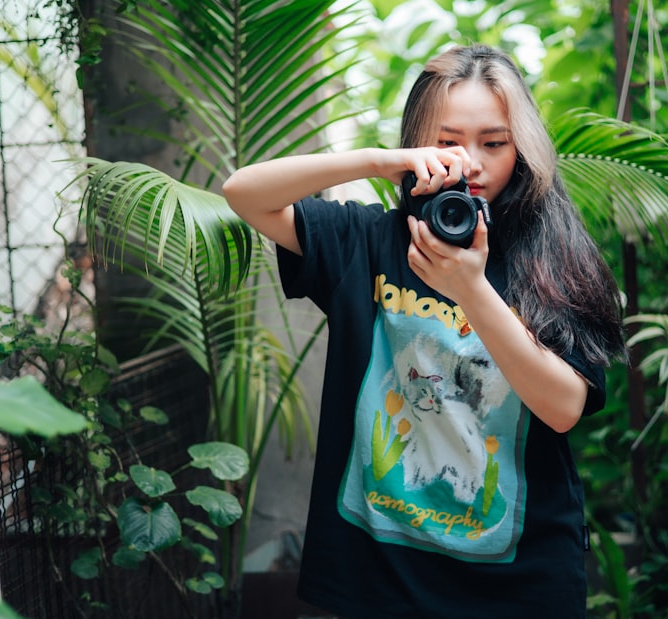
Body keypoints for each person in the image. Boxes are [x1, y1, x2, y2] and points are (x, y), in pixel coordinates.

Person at [222, 43, 626, 619]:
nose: (473, 162)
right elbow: (243, 192)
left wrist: (472, 290)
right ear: (417, 140)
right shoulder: (365, 242)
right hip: (384, 576)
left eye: (495, 143)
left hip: (520, 580)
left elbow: (563, 408)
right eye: (448, 142)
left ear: (522, 149)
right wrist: (377, 161)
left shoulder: (551, 256)